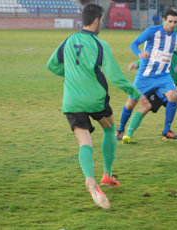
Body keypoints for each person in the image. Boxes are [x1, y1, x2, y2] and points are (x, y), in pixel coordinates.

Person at [47, 3, 144, 209]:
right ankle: (107, 175)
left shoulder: (69, 40)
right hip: (95, 99)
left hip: (72, 101)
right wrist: (136, 93)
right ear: (96, 20)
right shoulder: (101, 45)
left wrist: (72, 75)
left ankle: (89, 179)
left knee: (84, 142)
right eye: (102, 19)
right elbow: (116, 77)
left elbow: (52, 65)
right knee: (109, 128)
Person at [116, 10, 177, 144]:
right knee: (131, 103)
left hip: (164, 75)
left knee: (173, 95)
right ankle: (120, 130)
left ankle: (166, 131)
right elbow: (133, 44)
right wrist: (140, 54)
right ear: (164, 20)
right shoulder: (152, 31)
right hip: (145, 76)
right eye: (170, 21)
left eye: (175, 22)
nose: (172, 24)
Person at [126, 36, 177, 139]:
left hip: (170, 93)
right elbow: (152, 60)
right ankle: (128, 135)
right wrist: (136, 64)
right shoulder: (169, 55)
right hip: (156, 88)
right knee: (145, 107)